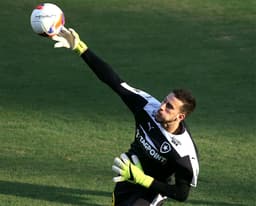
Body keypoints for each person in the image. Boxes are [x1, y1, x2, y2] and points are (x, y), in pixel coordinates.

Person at [51, 27, 199, 206]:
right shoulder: (147, 107)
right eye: (164, 101)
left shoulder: (184, 152)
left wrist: (142, 179)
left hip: (152, 189)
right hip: (126, 174)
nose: (161, 107)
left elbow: (181, 194)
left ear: (180, 116)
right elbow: (114, 81)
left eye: (169, 107)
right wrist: (80, 48)